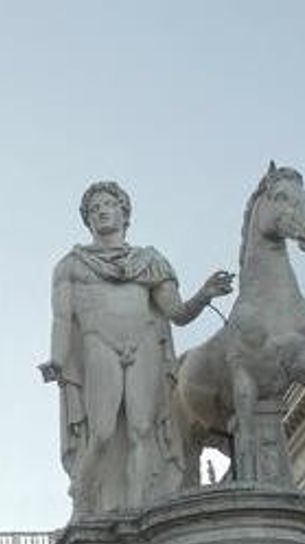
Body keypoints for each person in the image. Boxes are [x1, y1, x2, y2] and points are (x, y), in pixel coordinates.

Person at [41, 181, 232, 515]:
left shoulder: (150, 261)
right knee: (101, 431)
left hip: (144, 342)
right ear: (88, 220)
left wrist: (204, 294)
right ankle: (83, 502)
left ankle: (140, 510)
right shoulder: (71, 265)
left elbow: (177, 313)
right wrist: (57, 359)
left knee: (142, 430)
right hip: (98, 341)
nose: (101, 211)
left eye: (108, 205)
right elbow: (61, 317)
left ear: (124, 213)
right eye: (94, 208)